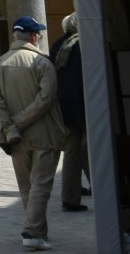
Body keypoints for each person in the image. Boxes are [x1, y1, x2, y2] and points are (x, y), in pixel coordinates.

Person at [0, 15, 65, 250]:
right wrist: (20, 122)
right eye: (38, 34)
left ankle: (38, 232)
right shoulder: (42, 62)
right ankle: (32, 232)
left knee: (27, 187)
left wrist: (11, 126)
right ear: (33, 36)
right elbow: (46, 98)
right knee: (41, 185)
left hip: (16, 138)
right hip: (43, 133)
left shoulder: (0, 63)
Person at [49, 12, 88, 213]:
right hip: (85, 106)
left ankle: (70, 199)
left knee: (72, 153)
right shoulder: (85, 44)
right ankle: (106, 192)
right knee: (94, 151)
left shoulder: (57, 45)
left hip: (63, 108)